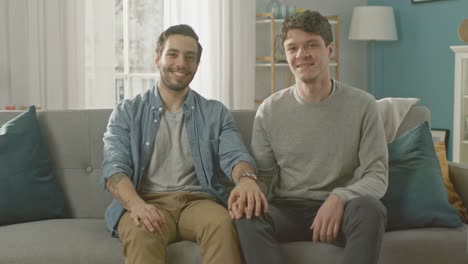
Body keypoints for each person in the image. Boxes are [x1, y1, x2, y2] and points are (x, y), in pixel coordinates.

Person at [101, 24, 267, 264]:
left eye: (190, 57)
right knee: (140, 234)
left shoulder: (215, 112)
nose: (181, 63)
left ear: (197, 65)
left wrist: (247, 179)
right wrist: (137, 205)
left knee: (222, 225)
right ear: (157, 58)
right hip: (148, 201)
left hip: (200, 202)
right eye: (172, 54)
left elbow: (235, 155)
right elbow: (114, 168)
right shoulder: (127, 112)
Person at [233, 10, 389, 264]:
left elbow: (377, 175)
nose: (301, 55)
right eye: (292, 48)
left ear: (329, 50)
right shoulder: (269, 110)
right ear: (285, 54)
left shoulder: (363, 105)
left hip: (342, 209)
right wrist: (249, 187)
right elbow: (266, 175)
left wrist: (340, 197)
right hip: (287, 209)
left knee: (371, 209)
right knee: (246, 213)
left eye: (311, 45)